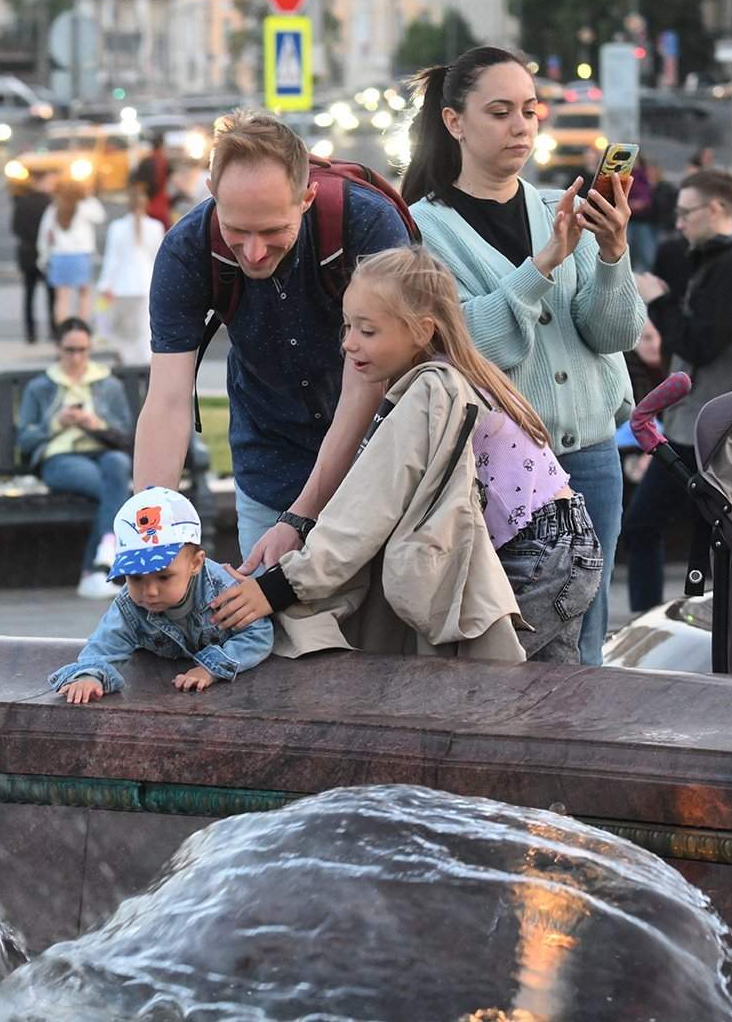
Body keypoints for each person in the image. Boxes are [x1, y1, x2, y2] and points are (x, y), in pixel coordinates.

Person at [211, 247, 597, 663]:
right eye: (346, 326)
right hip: (561, 543)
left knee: (482, 694)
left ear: (422, 331)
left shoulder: (431, 391)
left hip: (536, 552)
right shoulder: (456, 372)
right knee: (543, 707)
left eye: (368, 331)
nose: (348, 343)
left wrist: (279, 587)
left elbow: (370, 506)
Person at [402, 45, 644, 667]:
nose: (521, 127)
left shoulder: (553, 209)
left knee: (585, 641)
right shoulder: (423, 229)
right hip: (503, 473)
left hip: (591, 457)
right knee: (514, 647)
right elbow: (473, 344)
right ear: (454, 122)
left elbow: (613, 333)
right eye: (501, 111)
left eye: (531, 112)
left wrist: (613, 254)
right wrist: (542, 268)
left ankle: (578, 760)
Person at [135, 108, 415, 574]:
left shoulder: (366, 225)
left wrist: (302, 516)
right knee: (271, 636)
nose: (254, 251)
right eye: (236, 231)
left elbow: (367, 382)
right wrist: (148, 538)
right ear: (212, 196)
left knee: (376, 641)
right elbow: (166, 402)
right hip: (269, 459)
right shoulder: (186, 250)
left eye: (272, 231)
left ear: (306, 198)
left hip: (377, 460)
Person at [625, 168, 732, 613]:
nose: (679, 223)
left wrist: (658, 300)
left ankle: (649, 622)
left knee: (644, 526)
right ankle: (709, 618)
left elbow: (698, 344)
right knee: (711, 531)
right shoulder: (722, 261)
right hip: (711, 419)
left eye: (687, 213)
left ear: (717, 209)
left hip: (709, 422)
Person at [49, 487, 274, 704]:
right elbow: (106, 644)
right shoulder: (129, 603)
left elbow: (257, 634)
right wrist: (90, 676)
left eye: (164, 577)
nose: (150, 591)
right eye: (135, 578)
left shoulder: (222, 589)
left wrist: (211, 668)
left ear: (195, 563)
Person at [16, 318, 137, 599]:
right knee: (113, 490)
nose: (77, 357)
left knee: (118, 464)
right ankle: (101, 561)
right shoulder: (40, 387)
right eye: (70, 350)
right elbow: (24, 438)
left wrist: (95, 424)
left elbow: (126, 434)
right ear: (58, 349)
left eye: (83, 350)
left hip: (103, 452)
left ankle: (98, 564)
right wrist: (56, 423)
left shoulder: (108, 384)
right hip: (60, 456)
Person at [95, 185, 165, 364]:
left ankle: (127, 360)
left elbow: (112, 259)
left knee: (123, 331)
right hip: (146, 283)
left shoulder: (117, 227)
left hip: (122, 285)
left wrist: (105, 285)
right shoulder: (156, 227)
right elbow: (158, 257)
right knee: (145, 327)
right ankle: (146, 363)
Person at [38, 179, 102, 324]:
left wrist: (43, 257)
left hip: (59, 256)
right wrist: (89, 196)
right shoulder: (83, 207)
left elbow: (45, 236)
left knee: (62, 298)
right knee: (84, 295)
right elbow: (100, 216)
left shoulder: (53, 209)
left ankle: (63, 331)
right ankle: (82, 327)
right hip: (80, 255)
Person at [12, 169, 56, 344]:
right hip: (46, 253)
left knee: (29, 294)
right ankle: (53, 330)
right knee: (51, 294)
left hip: (26, 253)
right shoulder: (50, 204)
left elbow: (15, 228)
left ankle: (30, 333)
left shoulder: (21, 203)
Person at [129, 130, 174, 226]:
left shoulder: (146, 161)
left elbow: (136, 182)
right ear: (162, 145)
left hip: (147, 205)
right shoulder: (165, 162)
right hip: (161, 204)